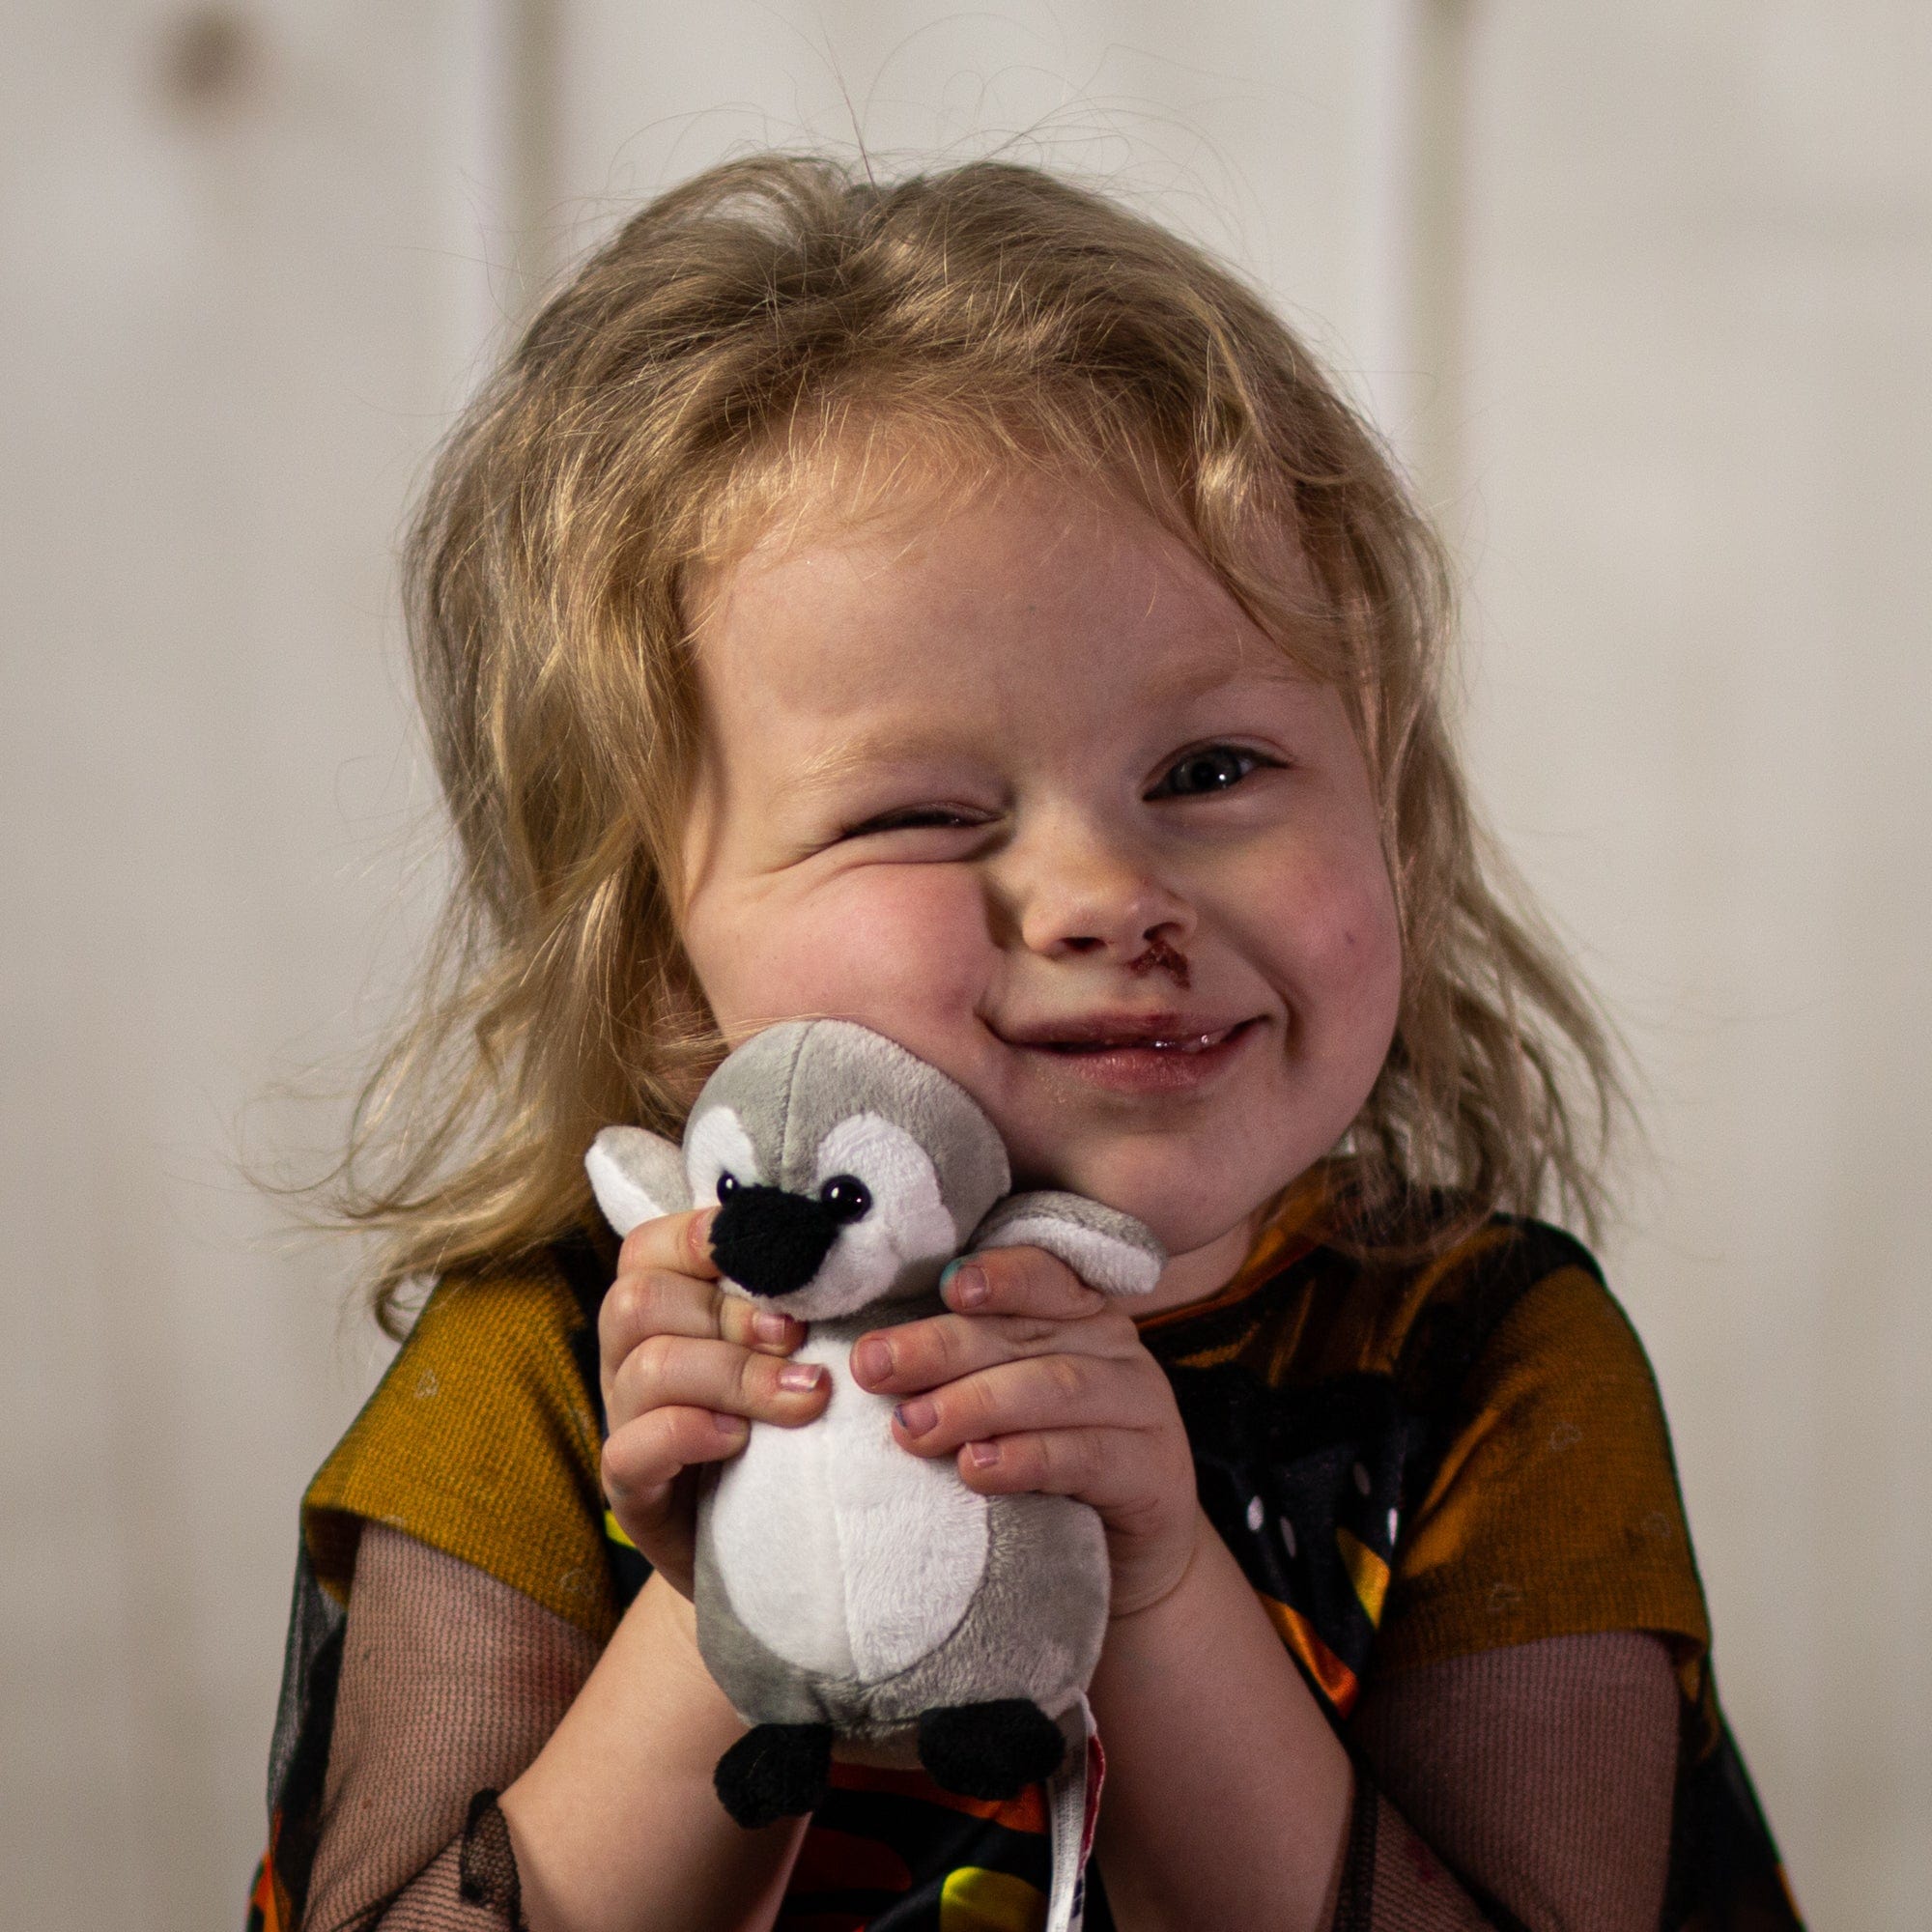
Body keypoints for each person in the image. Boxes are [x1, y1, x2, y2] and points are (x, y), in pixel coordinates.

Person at [250, 154, 1801, 1932]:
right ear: (658, 962)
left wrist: (1153, 1598)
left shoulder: (1493, 1370)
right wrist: (723, 1600)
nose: (1102, 891)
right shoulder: (545, 1371)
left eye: (1212, 771)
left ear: (1392, 807)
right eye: (920, 812)